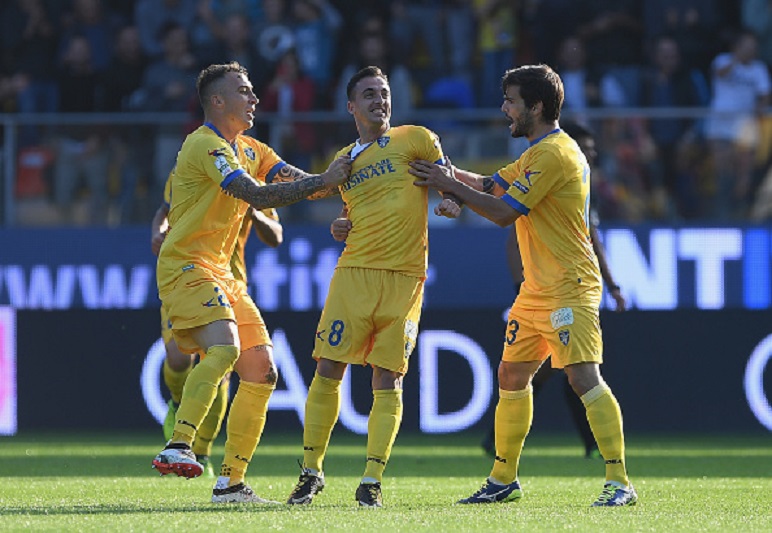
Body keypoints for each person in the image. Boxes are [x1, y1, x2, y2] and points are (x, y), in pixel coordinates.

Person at [409, 64, 637, 507]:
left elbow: (503, 212)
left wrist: (446, 184)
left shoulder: (556, 154)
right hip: (537, 289)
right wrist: (445, 174)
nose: (504, 109)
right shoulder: (536, 152)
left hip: (570, 285)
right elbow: (491, 184)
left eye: (511, 101)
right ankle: (502, 480)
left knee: (582, 377)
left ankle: (619, 482)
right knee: (511, 375)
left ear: (536, 106)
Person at [151, 61, 351, 504]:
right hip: (187, 264)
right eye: (245, 91)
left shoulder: (253, 149)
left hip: (225, 272)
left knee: (262, 371)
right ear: (217, 101)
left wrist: (356, 174)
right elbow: (258, 194)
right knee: (223, 348)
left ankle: (230, 484)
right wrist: (326, 179)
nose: (255, 98)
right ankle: (180, 444)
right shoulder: (204, 145)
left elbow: (302, 184)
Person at [285, 66, 461, 508]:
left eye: (383, 93)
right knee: (328, 369)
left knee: (389, 378)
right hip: (355, 274)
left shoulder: (417, 138)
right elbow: (344, 210)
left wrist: (451, 200)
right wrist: (342, 224)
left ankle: (371, 480)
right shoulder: (343, 162)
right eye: (369, 94)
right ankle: (310, 472)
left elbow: (449, 180)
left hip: (405, 278)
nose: (379, 100)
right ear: (351, 107)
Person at [480, 120, 627, 460]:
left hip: (566, 287)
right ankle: (502, 469)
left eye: (592, 150)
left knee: (575, 376)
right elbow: (511, 231)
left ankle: (614, 472)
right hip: (540, 290)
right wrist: (521, 286)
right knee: (521, 374)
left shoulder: (566, 171)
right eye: (585, 147)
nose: (590, 153)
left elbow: (591, 240)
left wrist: (613, 284)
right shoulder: (544, 164)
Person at [150, 169, 284, 478]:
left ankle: (202, 452)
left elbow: (276, 237)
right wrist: (158, 232)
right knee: (178, 357)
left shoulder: (253, 182)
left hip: (230, 284)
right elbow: (164, 210)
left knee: (222, 363)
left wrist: (253, 210)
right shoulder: (194, 169)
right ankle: (179, 401)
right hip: (188, 276)